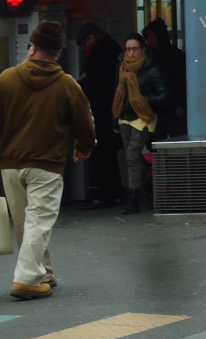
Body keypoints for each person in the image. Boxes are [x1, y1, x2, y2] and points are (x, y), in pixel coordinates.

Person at [0, 20, 95, 300]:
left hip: (11, 165)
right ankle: (26, 279)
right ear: (57, 53)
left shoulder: (7, 79)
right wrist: (84, 146)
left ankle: (42, 271)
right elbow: (84, 121)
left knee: (26, 222)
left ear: (32, 48)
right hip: (46, 165)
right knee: (38, 220)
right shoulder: (66, 84)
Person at [111, 33, 169, 215]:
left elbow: (164, 95)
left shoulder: (151, 69)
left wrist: (142, 100)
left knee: (131, 155)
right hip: (124, 116)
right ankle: (151, 190)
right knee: (133, 157)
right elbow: (117, 93)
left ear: (142, 49)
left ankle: (133, 198)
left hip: (143, 117)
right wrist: (115, 117)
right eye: (128, 49)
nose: (131, 53)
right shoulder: (122, 68)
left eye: (135, 49)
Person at [75, 22, 123, 207]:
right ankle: (113, 192)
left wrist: (79, 84)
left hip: (102, 110)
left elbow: (94, 80)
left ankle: (103, 194)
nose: (85, 49)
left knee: (101, 153)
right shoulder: (110, 48)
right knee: (108, 154)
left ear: (91, 39)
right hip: (107, 109)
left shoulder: (102, 53)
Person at [142, 18, 187, 138]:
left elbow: (183, 82)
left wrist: (181, 104)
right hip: (155, 110)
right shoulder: (148, 57)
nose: (148, 40)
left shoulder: (175, 56)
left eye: (151, 36)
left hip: (173, 108)